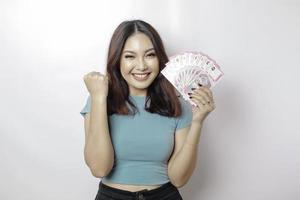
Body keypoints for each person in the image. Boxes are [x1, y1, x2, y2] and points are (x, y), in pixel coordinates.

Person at [80, 19, 215, 200]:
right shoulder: (99, 99)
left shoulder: (177, 105)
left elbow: (178, 179)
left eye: (150, 55)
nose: (142, 65)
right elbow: (99, 168)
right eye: (130, 56)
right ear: (117, 60)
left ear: (159, 58)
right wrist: (98, 98)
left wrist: (197, 122)